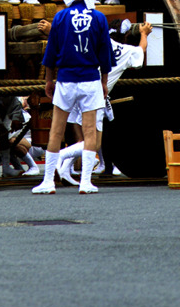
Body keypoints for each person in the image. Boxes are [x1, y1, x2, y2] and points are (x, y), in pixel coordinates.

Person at [32, 0, 112, 194]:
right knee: (90, 132)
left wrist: (49, 80)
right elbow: (104, 54)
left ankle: (48, 182)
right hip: (90, 80)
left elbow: (51, 52)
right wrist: (104, 82)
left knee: (56, 131)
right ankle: (85, 182)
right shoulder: (99, 18)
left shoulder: (60, 17)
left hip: (66, 80)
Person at [56, 20, 153, 184]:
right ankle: (60, 156)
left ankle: (65, 169)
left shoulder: (92, 41)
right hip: (93, 99)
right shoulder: (123, 50)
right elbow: (141, 50)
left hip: (77, 91)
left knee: (85, 140)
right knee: (93, 144)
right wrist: (144, 34)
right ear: (125, 36)